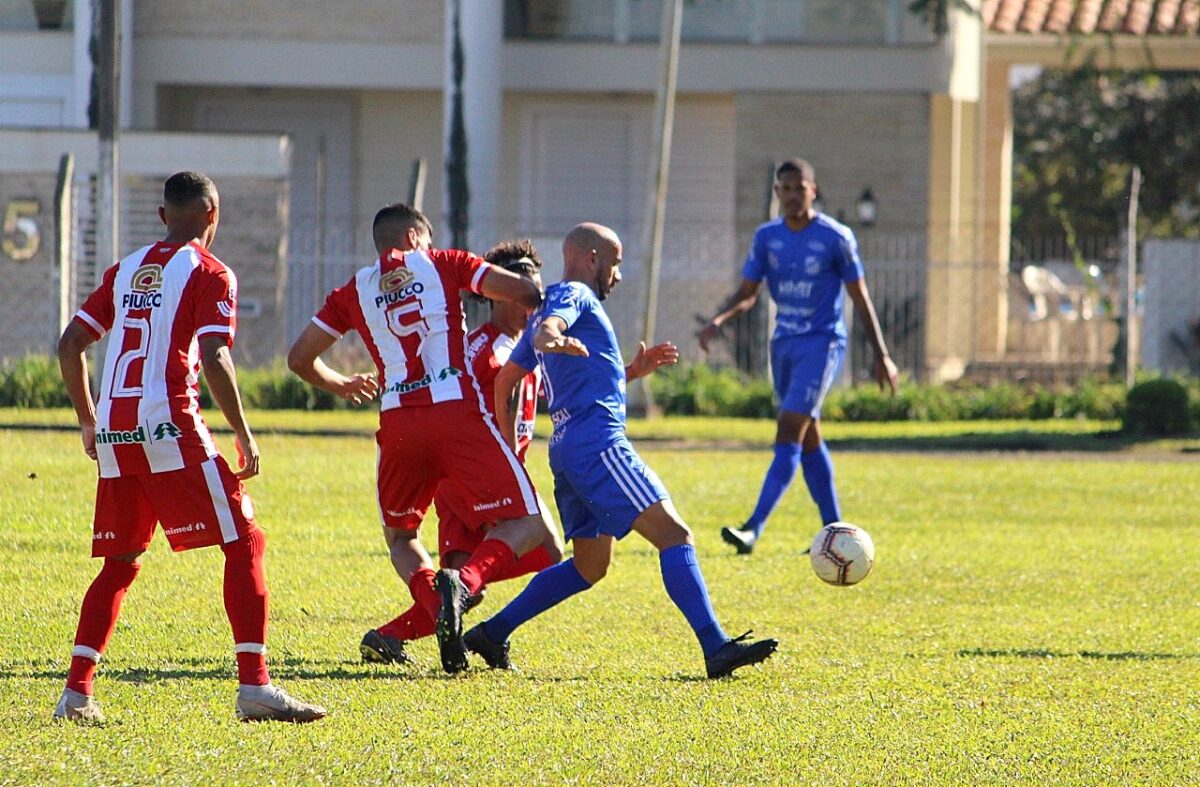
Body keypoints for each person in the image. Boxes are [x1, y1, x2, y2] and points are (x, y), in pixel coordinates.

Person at [53, 171, 325, 723]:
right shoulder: (211, 272)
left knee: (121, 563)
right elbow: (216, 356)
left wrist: (88, 420)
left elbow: (71, 343)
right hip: (170, 427)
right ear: (213, 214)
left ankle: (76, 693)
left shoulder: (126, 268)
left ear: (162, 216)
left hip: (117, 430)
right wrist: (244, 434)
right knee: (246, 542)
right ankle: (255, 688)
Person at [457, 222, 778, 679]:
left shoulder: (550, 304)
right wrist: (551, 336)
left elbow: (510, 379)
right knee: (676, 535)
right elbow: (552, 328)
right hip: (600, 446)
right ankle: (715, 647)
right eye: (616, 263)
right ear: (591, 259)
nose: (618, 275)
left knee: (590, 566)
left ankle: (493, 632)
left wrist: (629, 371)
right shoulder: (574, 295)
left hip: (567, 450)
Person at [287, 204, 551, 674]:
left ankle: (433, 607)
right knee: (532, 525)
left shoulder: (352, 290)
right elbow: (522, 291)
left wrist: (340, 384)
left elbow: (299, 358)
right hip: (455, 414)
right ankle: (464, 582)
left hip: (397, 422)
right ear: (414, 236)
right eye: (425, 240)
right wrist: (537, 292)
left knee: (402, 537)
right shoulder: (444, 263)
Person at [358, 239, 565, 666]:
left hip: (490, 476)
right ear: (497, 295)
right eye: (526, 293)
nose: (534, 303)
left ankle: (387, 636)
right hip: (469, 479)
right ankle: (473, 619)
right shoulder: (479, 350)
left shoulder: (526, 348)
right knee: (547, 548)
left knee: (463, 588)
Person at [698, 158, 898, 555]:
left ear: (813, 190)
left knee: (789, 429)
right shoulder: (766, 237)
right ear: (777, 193)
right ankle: (834, 530)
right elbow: (749, 293)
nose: (792, 195)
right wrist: (719, 318)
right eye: (785, 189)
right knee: (808, 437)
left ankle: (753, 528)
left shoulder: (835, 238)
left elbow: (861, 298)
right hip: (783, 345)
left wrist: (882, 355)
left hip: (821, 344)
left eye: (799, 188)